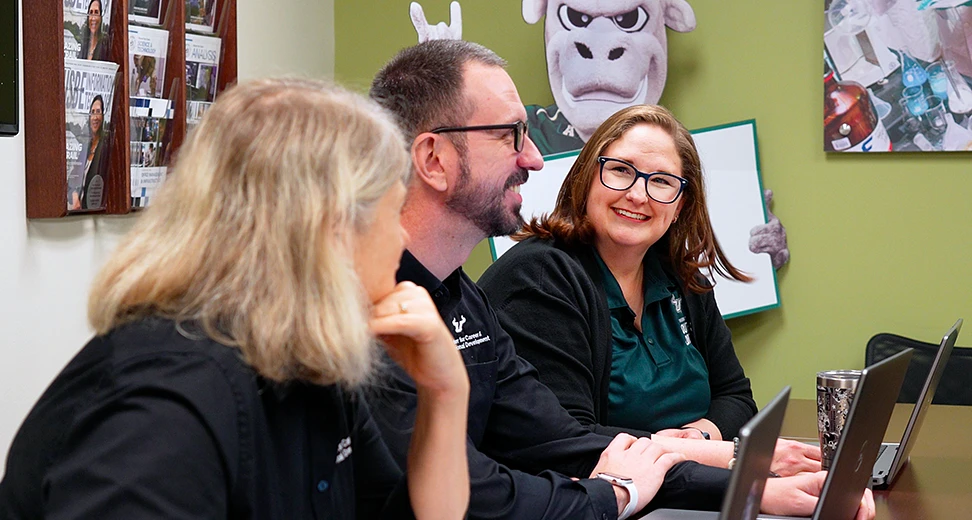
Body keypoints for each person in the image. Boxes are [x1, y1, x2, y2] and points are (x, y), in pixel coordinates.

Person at [369, 40, 874, 520]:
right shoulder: (377, 305)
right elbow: (490, 491)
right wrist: (623, 493)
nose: (534, 159)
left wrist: (753, 482)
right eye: (510, 136)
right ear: (433, 159)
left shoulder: (461, 296)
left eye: (660, 183)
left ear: (681, 205)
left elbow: (562, 441)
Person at [0, 78, 471, 519]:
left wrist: (446, 394)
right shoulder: (167, 408)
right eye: (392, 213)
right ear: (331, 230)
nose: (402, 236)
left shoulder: (305, 360)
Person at [480, 104, 755, 441]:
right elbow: (569, 441)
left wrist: (697, 440)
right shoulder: (539, 280)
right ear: (587, 176)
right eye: (622, 170)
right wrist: (697, 454)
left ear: (679, 204)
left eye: (662, 181)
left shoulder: (682, 278)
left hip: (693, 482)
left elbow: (736, 397)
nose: (638, 195)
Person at [70, 94, 109, 211]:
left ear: (103, 116)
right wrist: (74, 195)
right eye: (92, 112)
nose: (95, 117)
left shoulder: (105, 146)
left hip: (95, 210)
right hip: (80, 210)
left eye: (98, 112)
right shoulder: (86, 146)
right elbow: (72, 179)